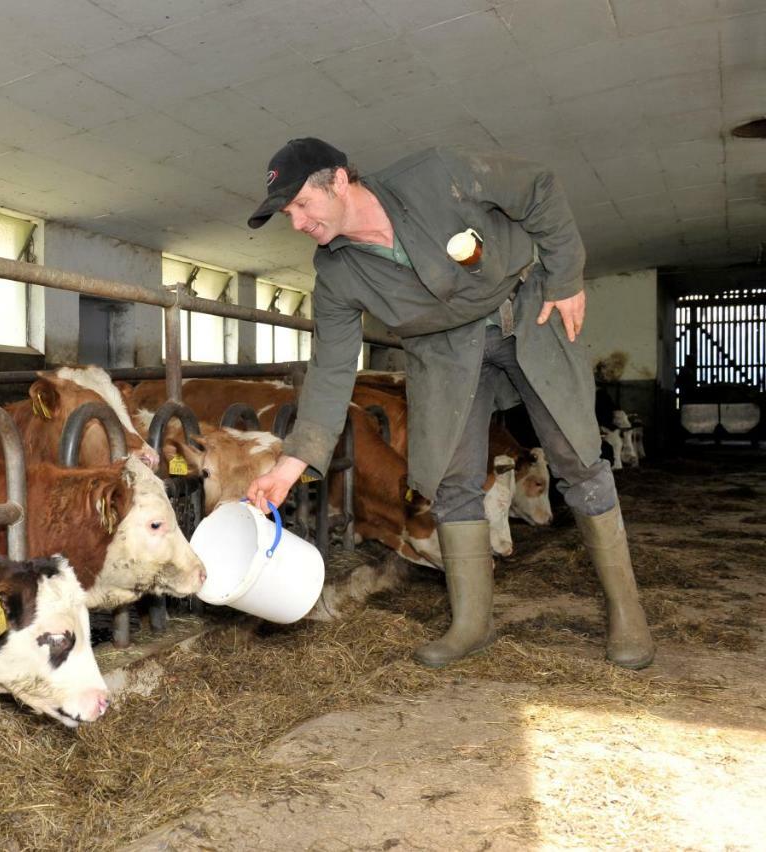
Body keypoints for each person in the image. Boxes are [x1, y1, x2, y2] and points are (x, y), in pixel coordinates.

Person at [244, 138, 653, 670]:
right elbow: (330, 370)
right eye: (287, 213)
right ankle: (471, 623)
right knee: (452, 481)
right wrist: (291, 464)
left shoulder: (437, 175)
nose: (296, 222)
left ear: (339, 180)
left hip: (526, 312)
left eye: (301, 204)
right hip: (442, 350)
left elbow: (538, 188)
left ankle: (628, 613)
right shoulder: (337, 274)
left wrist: (567, 276)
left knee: (576, 456)